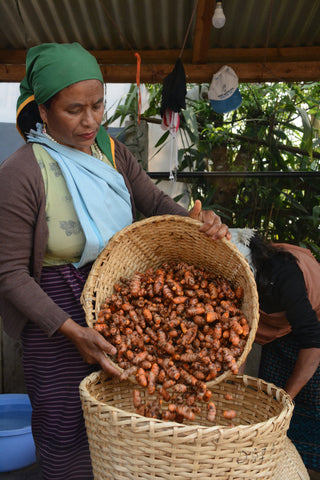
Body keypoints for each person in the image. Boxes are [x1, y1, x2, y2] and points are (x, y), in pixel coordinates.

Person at [0, 42, 230, 480]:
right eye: (74, 109)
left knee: (122, 424)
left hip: (118, 304)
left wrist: (199, 223)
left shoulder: (110, 150)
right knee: (64, 427)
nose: (91, 120)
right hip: (56, 318)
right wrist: (73, 332)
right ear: (43, 111)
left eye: (98, 104)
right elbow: (9, 273)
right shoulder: (22, 172)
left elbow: (154, 200)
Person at [230, 229, 320, 474]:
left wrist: (286, 401)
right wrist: (231, 392)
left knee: (306, 405)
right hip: (278, 330)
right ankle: (269, 451)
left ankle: (302, 466)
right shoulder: (233, 280)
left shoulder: (284, 276)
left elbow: (312, 340)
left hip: (311, 329)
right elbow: (239, 337)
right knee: (268, 396)